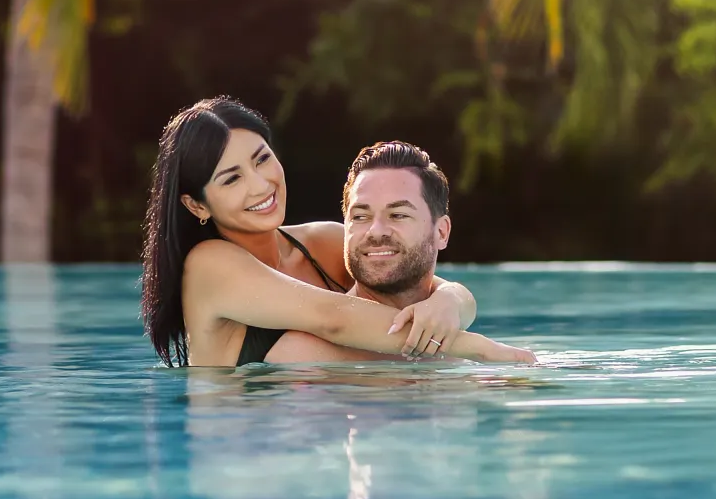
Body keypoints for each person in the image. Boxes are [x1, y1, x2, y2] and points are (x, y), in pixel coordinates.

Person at [140, 98, 536, 367]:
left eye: (262, 160)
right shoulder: (209, 266)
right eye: (232, 179)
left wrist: (450, 301)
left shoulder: (322, 243)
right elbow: (333, 319)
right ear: (197, 205)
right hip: (241, 456)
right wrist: (483, 352)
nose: (260, 185)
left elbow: (430, 282)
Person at [266, 141, 490, 364]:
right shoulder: (303, 357)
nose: (376, 231)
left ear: (441, 232)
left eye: (398, 215)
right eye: (360, 217)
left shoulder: (461, 355)